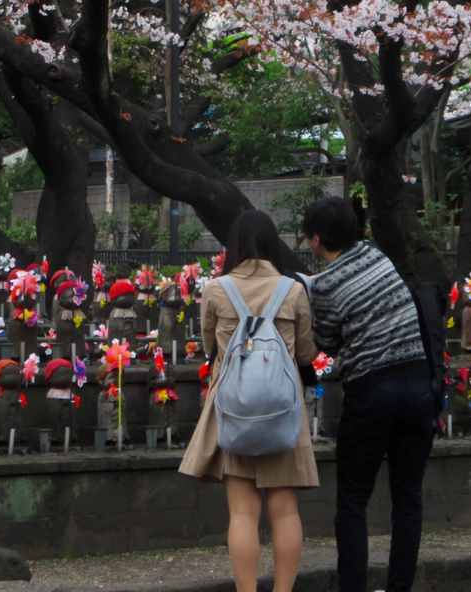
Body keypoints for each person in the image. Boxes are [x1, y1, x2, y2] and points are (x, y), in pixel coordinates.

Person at [179, 209, 318, 592]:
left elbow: (210, 347)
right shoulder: (292, 290)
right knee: (285, 508)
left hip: (235, 408)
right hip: (282, 410)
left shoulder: (216, 289)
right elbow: (305, 352)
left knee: (242, 511)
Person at [305, 196, 434, 592]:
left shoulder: (324, 285)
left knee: (353, 499)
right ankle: (399, 587)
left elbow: (324, 341)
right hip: (418, 384)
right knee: (408, 496)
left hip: (372, 390)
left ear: (316, 240)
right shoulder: (378, 257)